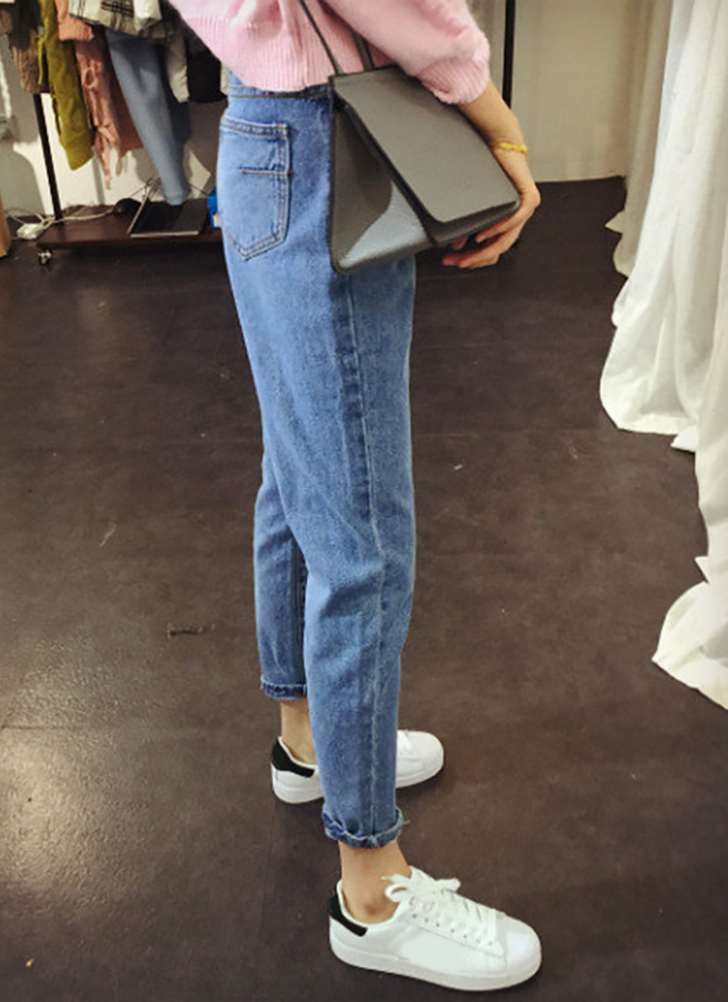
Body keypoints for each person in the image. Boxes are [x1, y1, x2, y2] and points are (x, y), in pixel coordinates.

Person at [169, 0, 542, 990]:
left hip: (261, 133)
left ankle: (306, 745)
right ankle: (372, 892)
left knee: (298, 474)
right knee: (362, 541)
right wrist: (495, 117)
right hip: (327, 141)